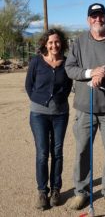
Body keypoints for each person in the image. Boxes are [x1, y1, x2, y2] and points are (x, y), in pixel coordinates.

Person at [65, 3, 105, 211]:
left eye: (100, 16)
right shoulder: (79, 41)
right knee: (82, 151)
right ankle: (81, 192)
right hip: (85, 108)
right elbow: (70, 69)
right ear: (88, 19)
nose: (97, 19)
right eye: (93, 16)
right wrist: (91, 73)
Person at [25, 28, 73, 210]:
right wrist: (40, 102)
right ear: (45, 43)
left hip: (61, 114)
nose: (54, 45)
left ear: (62, 43)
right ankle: (42, 192)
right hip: (39, 114)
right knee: (43, 152)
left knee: (58, 151)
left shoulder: (67, 63)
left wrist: (58, 102)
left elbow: (68, 87)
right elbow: (29, 85)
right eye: (51, 42)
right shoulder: (37, 61)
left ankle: (55, 190)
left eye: (57, 42)